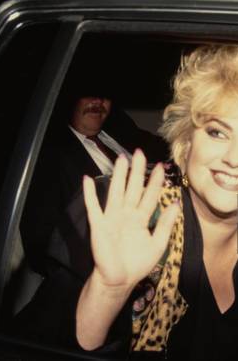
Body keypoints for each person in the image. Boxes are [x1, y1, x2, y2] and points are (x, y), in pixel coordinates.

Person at [14, 45, 238, 360]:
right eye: (217, 133)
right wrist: (108, 290)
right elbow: (35, 345)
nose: (235, 158)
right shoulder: (127, 214)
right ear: (186, 144)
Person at [20, 92, 169, 276]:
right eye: (88, 93)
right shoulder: (49, 159)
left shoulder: (118, 130)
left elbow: (167, 150)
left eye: (105, 94)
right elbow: (41, 246)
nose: (98, 101)